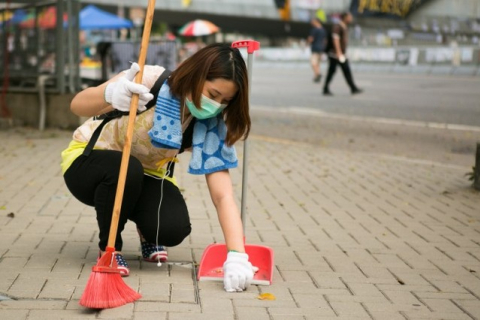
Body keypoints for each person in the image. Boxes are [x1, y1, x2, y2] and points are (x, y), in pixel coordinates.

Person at [61, 43, 255, 292]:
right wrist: (110, 95)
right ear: (196, 75)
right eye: (213, 94)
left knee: (173, 228)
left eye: (225, 101)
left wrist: (237, 254)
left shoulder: (208, 125)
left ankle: (146, 232)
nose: (216, 105)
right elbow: (76, 105)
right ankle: (109, 249)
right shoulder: (149, 80)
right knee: (127, 167)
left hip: (146, 175)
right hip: (89, 162)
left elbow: (223, 195)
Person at [323, 12, 362, 96]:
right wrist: (338, 53)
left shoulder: (344, 27)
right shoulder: (338, 26)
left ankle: (352, 88)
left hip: (340, 54)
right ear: (345, 17)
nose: (351, 19)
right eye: (349, 17)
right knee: (340, 71)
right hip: (336, 54)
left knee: (338, 71)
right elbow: (335, 40)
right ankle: (352, 88)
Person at [307, 17, 326, 83]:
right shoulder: (323, 30)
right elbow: (325, 40)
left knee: (313, 63)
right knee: (318, 63)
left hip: (315, 48)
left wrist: (307, 43)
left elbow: (311, 39)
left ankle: (318, 74)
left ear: (317, 21)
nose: (311, 23)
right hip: (321, 48)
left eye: (313, 21)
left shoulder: (314, 30)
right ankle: (316, 76)